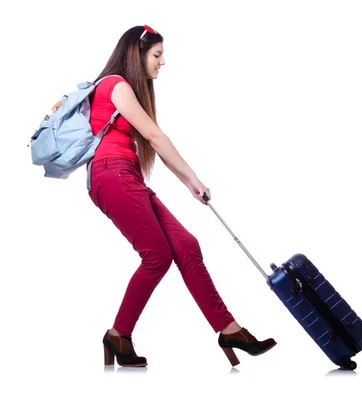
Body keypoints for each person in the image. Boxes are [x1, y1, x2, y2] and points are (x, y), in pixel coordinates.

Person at [87, 25, 276, 367]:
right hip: (111, 174)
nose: (162, 63)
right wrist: (192, 179)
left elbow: (150, 142)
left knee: (185, 245)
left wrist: (188, 181)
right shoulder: (116, 85)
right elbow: (155, 138)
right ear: (137, 54)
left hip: (124, 174)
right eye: (157, 55)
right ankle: (118, 335)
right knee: (157, 255)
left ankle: (228, 329)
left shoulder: (124, 88)